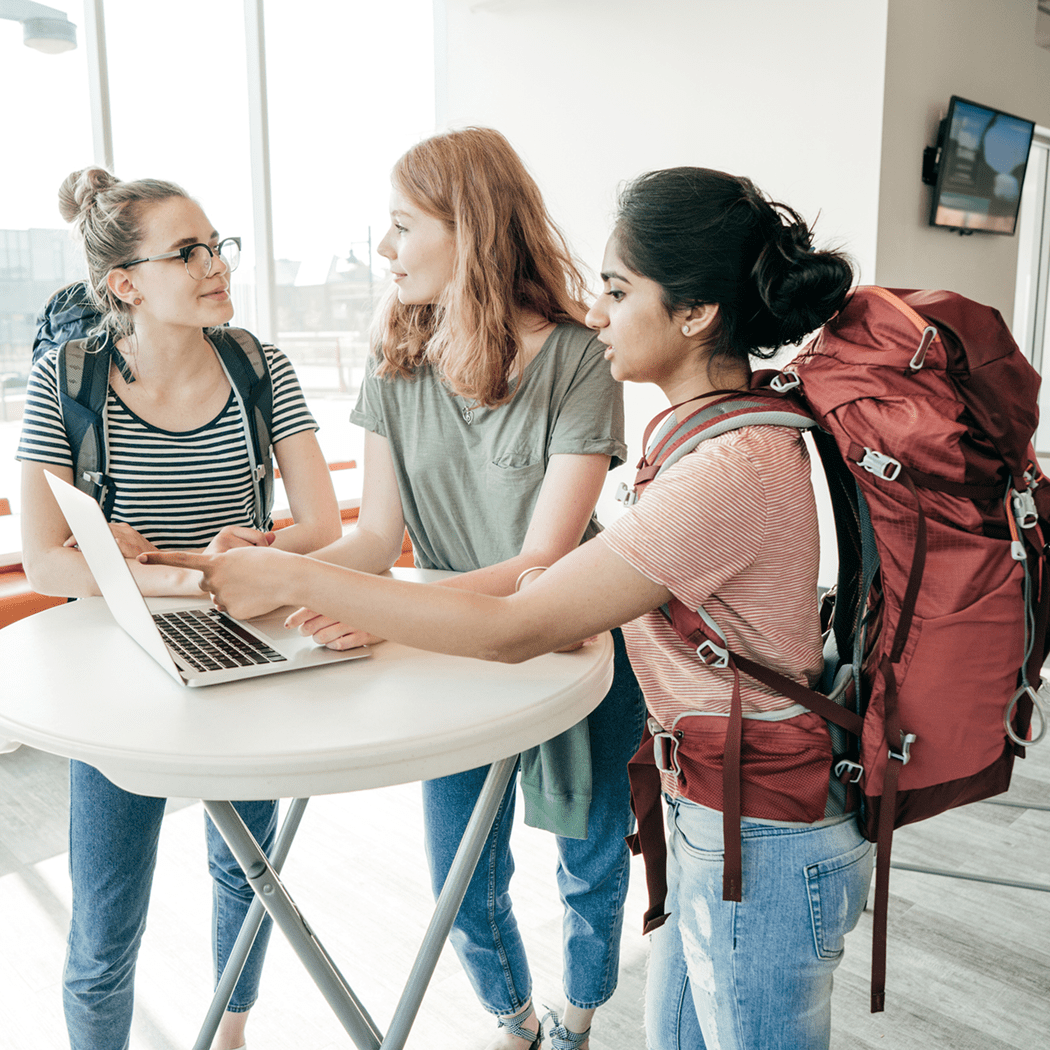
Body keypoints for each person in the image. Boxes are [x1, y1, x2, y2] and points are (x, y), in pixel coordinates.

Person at [147, 165, 876, 1050]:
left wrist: (302, 581)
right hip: (721, 819)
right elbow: (547, 590)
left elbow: (516, 628)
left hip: (760, 837)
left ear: (694, 315)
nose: (597, 311)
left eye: (618, 290)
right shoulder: (706, 438)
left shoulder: (730, 467)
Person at [17, 166, 341, 1050]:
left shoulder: (257, 365)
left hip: (247, 650)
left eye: (217, 246)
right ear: (125, 283)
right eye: (188, 252)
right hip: (124, 666)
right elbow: (48, 558)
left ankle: (230, 1032)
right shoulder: (66, 380)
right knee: (106, 918)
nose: (215, 266)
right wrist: (185, 572)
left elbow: (318, 524)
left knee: (248, 873)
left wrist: (181, 561)